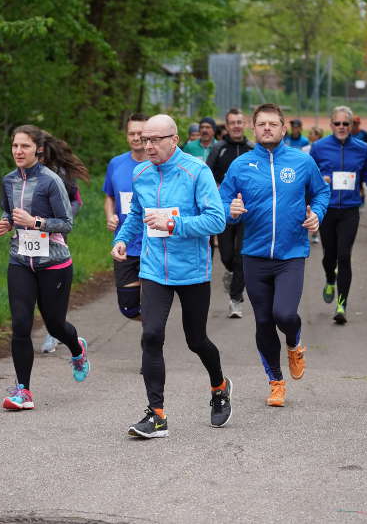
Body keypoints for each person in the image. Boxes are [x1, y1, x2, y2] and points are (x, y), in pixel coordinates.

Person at [111, 114, 231, 437]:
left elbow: (217, 220)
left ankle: (219, 386)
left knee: (196, 340)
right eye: (144, 140)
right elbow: (136, 214)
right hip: (153, 269)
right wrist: (121, 239)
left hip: (191, 271)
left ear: (174, 140)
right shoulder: (141, 173)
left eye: (154, 140)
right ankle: (157, 415)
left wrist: (176, 225)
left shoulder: (196, 172)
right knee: (151, 335)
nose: (147, 145)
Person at [219, 103, 330, 407]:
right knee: (264, 322)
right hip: (254, 256)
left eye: (273, 124)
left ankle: (294, 343)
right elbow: (221, 200)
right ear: (254, 129)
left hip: (291, 254)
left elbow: (321, 192)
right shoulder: (241, 165)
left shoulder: (301, 162)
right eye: (262, 124)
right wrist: (231, 211)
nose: (267, 128)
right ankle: (276, 382)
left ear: (283, 128)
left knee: (284, 314)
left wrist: (317, 213)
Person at [0, 124, 90, 411]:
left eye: (24, 146)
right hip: (20, 260)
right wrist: (6, 222)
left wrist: (35, 223)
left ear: (37, 149)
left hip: (54, 263)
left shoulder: (50, 181)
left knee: (55, 325)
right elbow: (8, 211)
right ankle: (23, 391)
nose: (18, 151)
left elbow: (66, 222)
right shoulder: (8, 180)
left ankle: (77, 349)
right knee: (21, 324)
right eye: (14, 146)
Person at [310, 106, 367, 325]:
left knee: (344, 255)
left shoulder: (361, 147)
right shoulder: (319, 147)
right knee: (329, 255)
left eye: (345, 124)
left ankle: (342, 304)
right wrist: (322, 178)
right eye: (337, 123)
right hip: (327, 209)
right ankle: (330, 278)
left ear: (352, 126)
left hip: (350, 209)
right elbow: (309, 174)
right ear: (331, 125)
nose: (341, 127)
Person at [37, 130, 91, 353]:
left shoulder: (60, 173)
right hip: (30, 239)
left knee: (52, 287)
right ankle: (52, 326)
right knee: (36, 286)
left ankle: (54, 331)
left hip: (57, 236)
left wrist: (63, 217)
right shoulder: (21, 173)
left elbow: (76, 201)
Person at [206, 108, 254, 319]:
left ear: (245, 125)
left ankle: (236, 299)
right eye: (232, 122)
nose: (236, 125)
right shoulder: (219, 148)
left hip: (247, 211)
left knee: (241, 255)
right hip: (223, 210)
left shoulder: (252, 149)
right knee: (226, 256)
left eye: (239, 122)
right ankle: (231, 273)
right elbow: (206, 176)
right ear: (226, 126)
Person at [103, 113, 148, 322]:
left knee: (153, 304)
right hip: (126, 245)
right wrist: (110, 215)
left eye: (141, 133)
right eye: (132, 133)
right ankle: (151, 330)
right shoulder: (116, 164)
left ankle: (152, 338)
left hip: (154, 245)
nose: (136, 137)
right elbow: (109, 197)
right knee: (129, 308)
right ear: (126, 136)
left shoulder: (159, 163)